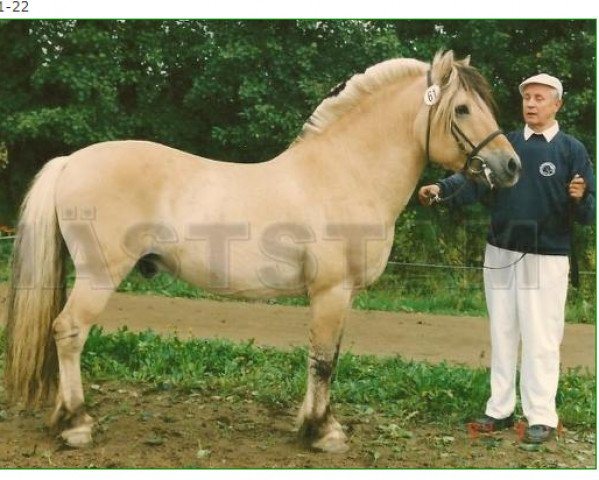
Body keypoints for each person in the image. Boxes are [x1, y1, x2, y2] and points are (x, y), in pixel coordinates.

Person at [418, 73, 595, 444]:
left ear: (556, 104)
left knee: (541, 337)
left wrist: (581, 197)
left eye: (539, 98)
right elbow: (473, 180)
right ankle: (498, 409)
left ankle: (541, 416)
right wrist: (441, 188)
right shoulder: (508, 143)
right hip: (500, 251)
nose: (531, 103)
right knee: (502, 333)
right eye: (527, 97)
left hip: (546, 257)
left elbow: (588, 214)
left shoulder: (571, 150)